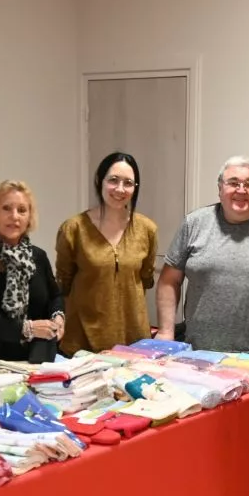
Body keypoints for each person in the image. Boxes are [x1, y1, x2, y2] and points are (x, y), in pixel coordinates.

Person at [156, 156, 249, 354]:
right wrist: (166, 332)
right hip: (198, 353)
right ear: (220, 188)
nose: (241, 190)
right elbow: (169, 280)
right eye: (233, 183)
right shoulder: (194, 224)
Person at [55, 152, 158, 355]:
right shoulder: (74, 228)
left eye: (128, 183)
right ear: (99, 181)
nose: (120, 189)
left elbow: (145, 279)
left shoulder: (147, 229)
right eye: (113, 180)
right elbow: (63, 283)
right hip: (82, 342)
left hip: (133, 341)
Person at [0, 180, 65, 371]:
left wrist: (58, 317)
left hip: (36, 363)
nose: (14, 216)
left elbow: (55, 296)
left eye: (22, 210)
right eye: (6, 208)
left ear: (29, 217)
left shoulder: (38, 256)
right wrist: (28, 329)